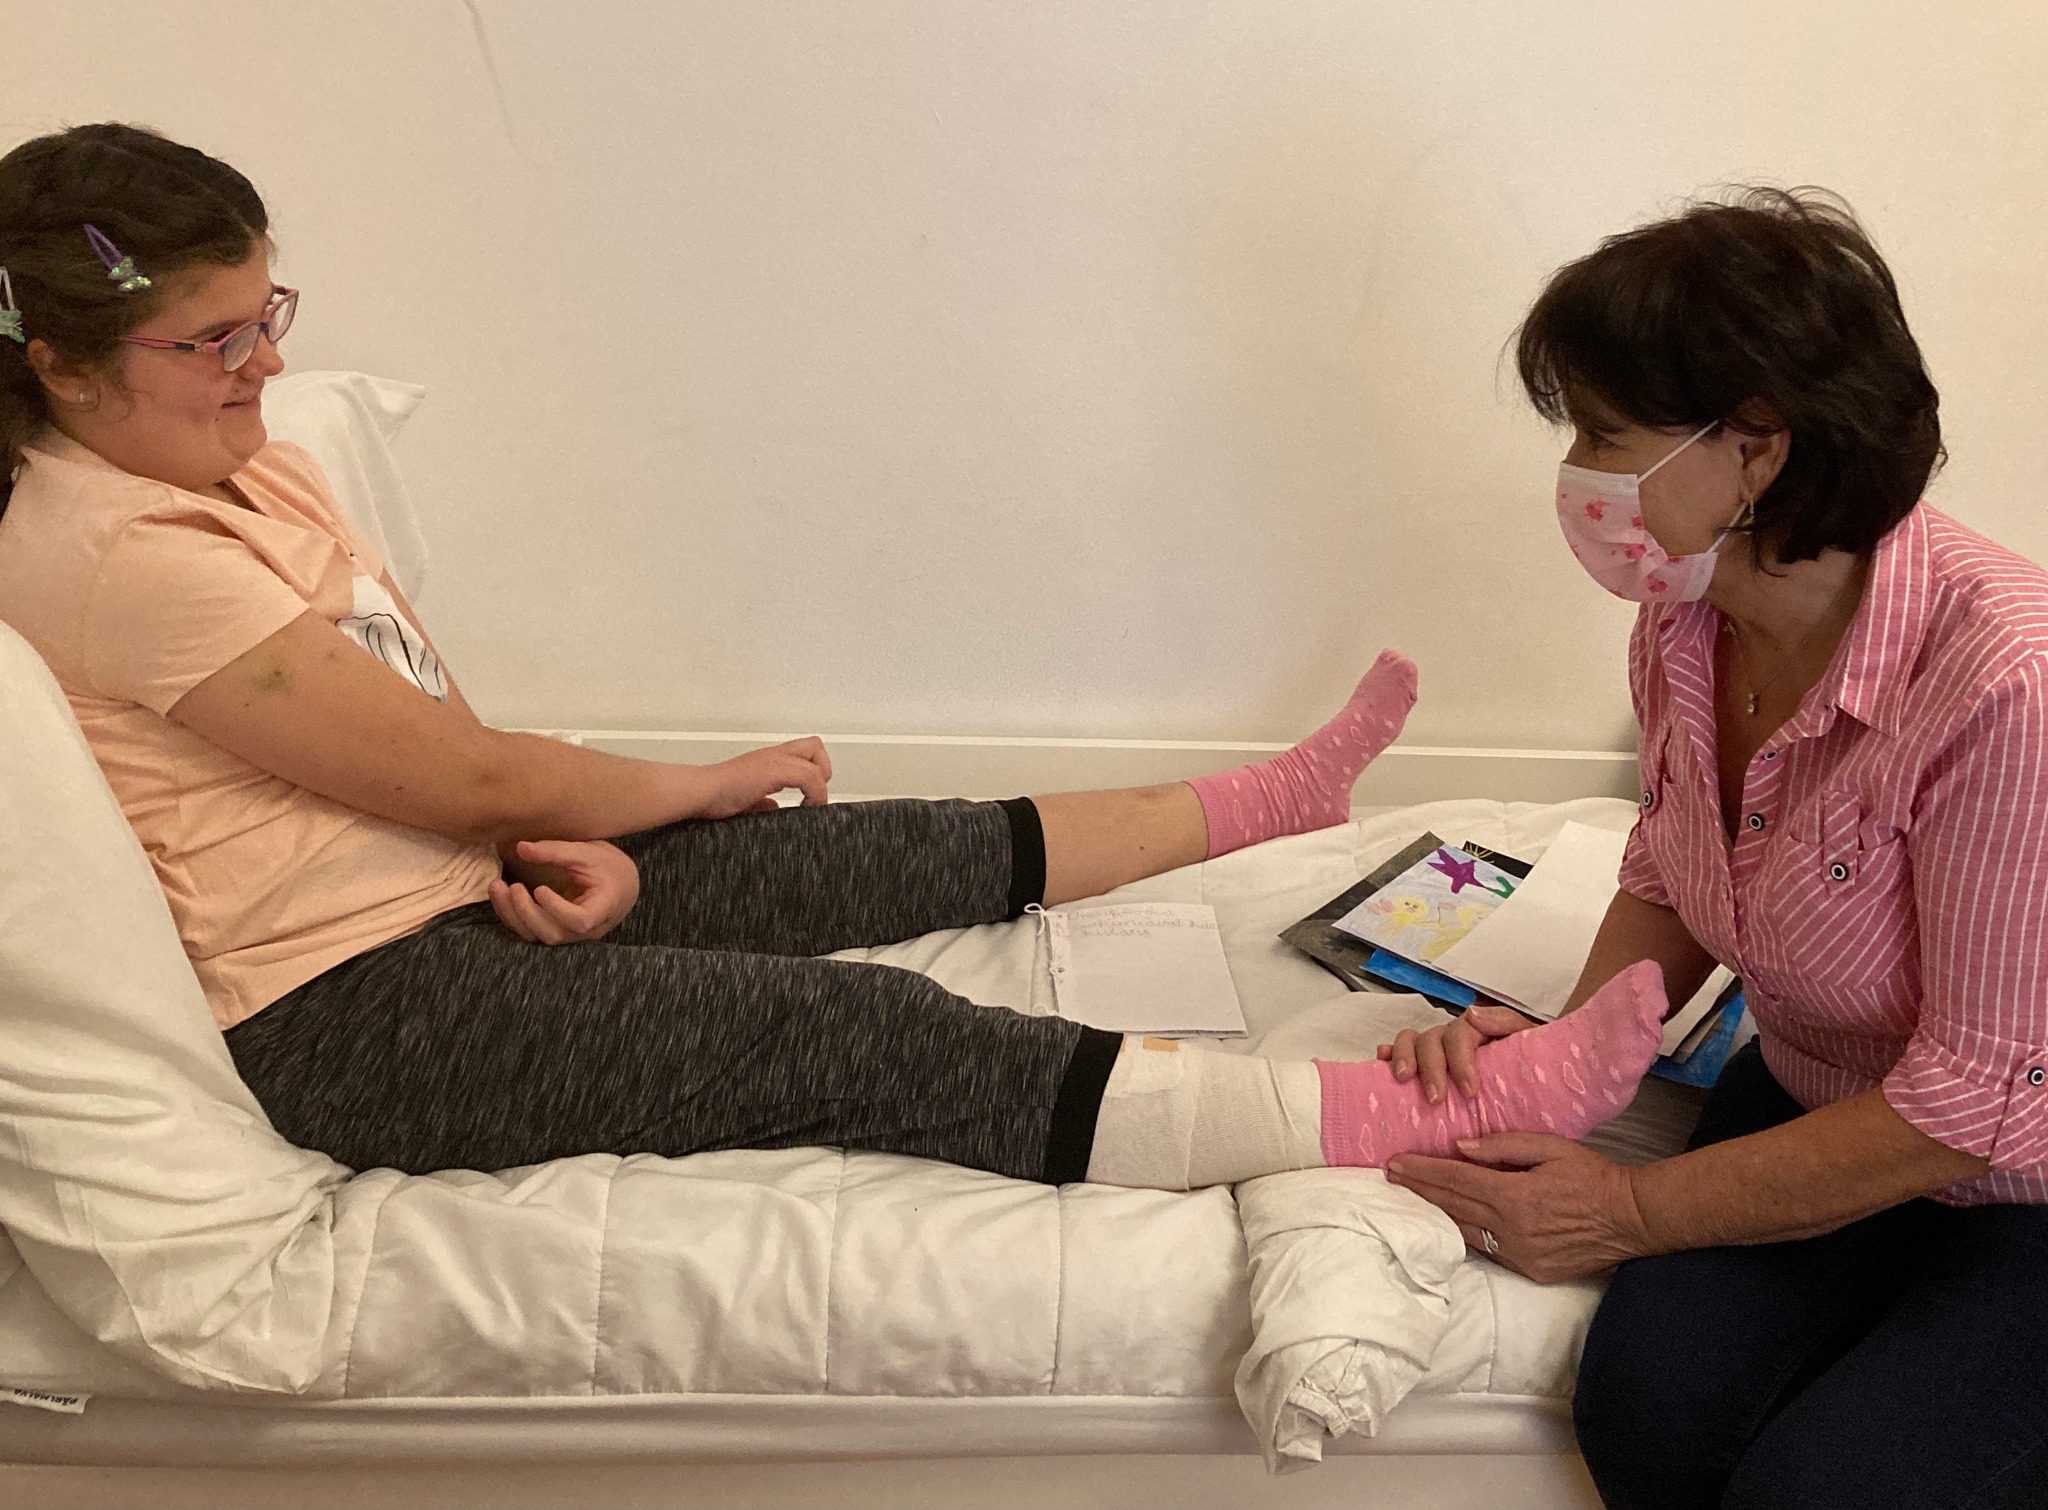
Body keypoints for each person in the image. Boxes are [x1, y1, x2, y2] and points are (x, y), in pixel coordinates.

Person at [0, 122, 1663, 1206]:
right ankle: (1403, 1114)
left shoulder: (239, 464)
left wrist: (555, 839)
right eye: (213, 338)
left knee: (863, 852)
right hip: (351, 1010)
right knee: (859, 1026)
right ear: (63, 368)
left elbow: (423, 740)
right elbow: (469, 765)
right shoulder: (114, 553)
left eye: (270, 313)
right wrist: (687, 784)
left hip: (454, 886)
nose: (263, 361)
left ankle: (1270, 800)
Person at [1378, 188, 2048, 1509]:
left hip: (2020, 1169)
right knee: (1645, 1413)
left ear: (1756, 448)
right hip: (1819, 1086)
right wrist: (1566, 1049)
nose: (1577, 471)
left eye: (1602, 432)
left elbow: (1979, 1098)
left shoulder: (2006, 683)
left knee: (1824, 1487)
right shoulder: (1686, 618)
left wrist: (1625, 1212)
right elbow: (1672, 867)